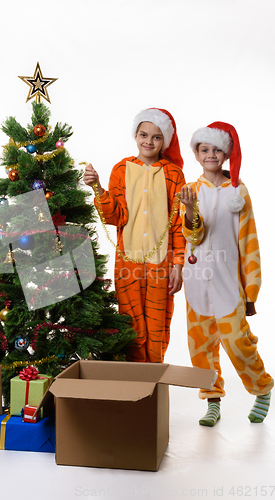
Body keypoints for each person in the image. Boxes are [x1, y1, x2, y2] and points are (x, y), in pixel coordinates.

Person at [180, 121, 274, 426]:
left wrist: (252, 290)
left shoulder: (239, 192)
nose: (210, 155)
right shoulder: (190, 191)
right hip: (196, 283)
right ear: (196, 153)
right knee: (201, 349)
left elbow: (250, 242)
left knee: (237, 341)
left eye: (216, 150)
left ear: (226, 154)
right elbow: (193, 237)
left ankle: (262, 388)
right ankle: (212, 401)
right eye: (204, 149)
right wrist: (189, 210)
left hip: (227, 283)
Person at [83, 108, 186, 363]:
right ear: (136, 135)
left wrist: (178, 265)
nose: (148, 142)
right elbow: (114, 216)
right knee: (130, 325)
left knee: (158, 326)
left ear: (165, 141)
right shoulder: (121, 170)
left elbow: (178, 224)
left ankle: (152, 385)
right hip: (128, 261)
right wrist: (97, 187)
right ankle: (133, 384)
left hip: (161, 264)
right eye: (143, 134)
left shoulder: (174, 175)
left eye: (156, 137)